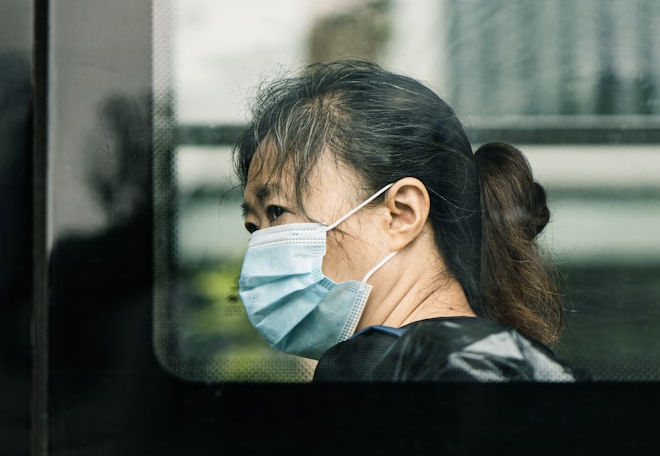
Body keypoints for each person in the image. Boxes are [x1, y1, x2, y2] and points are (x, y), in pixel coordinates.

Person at [233, 59, 585, 381]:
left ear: (402, 214)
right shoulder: (438, 362)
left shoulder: (461, 371)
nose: (262, 248)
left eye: (277, 211)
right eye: (254, 227)